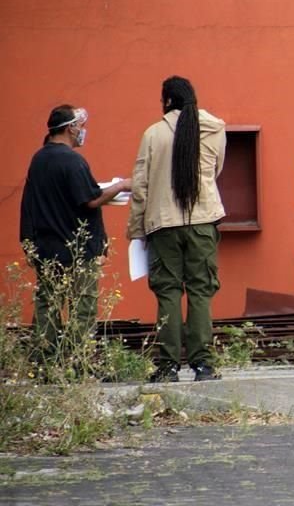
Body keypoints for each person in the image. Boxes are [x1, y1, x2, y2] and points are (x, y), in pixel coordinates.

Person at [127, 76, 226, 383]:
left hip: (162, 223)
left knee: (167, 293)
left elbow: (140, 186)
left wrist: (136, 229)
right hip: (202, 220)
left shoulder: (153, 134)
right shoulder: (213, 128)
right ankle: (203, 365)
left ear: (167, 100)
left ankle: (168, 366)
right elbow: (216, 169)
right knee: (201, 291)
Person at [20, 105, 131, 363]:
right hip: (77, 250)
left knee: (47, 305)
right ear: (70, 127)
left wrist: (28, 243)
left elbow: (28, 204)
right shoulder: (73, 160)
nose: (82, 131)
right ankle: (79, 362)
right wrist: (122, 185)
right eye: (80, 126)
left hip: (46, 248)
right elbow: (90, 200)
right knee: (83, 307)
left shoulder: (39, 160)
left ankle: (45, 362)